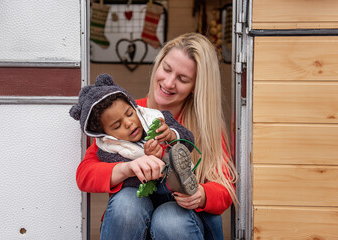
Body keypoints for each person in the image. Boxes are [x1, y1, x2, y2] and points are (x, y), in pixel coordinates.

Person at [76, 32, 238, 240]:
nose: (169, 83)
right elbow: (85, 174)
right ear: (158, 64)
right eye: (167, 69)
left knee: (170, 218)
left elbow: (224, 187)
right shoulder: (126, 116)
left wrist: (202, 195)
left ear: (196, 87)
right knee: (127, 202)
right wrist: (126, 169)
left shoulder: (205, 127)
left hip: (183, 222)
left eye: (182, 79)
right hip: (136, 218)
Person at [69, 73, 198, 196]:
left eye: (130, 113)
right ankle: (176, 182)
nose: (129, 123)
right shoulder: (109, 150)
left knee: (174, 156)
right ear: (106, 134)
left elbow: (189, 141)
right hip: (150, 190)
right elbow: (128, 182)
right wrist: (150, 162)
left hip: (175, 189)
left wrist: (172, 135)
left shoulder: (157, 117)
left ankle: (182, 177)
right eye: (117, 126)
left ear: (133, 105)